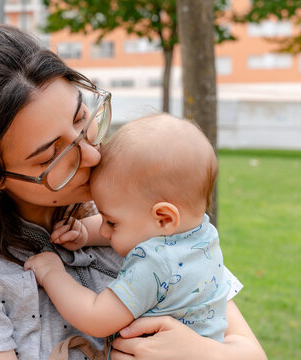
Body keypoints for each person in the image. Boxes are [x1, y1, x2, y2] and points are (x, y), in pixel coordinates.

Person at [0, 22, 267, 360]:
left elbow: (251, 352)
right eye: (51, 157)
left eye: (81, 117)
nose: (91, 154)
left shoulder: (128, 217)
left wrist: (201, 354)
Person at [25, 114, 229, 358]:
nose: (103, 230)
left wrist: (52, 274)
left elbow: (96, 318)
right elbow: (139, 226)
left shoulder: (154, 262)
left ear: (164, 218)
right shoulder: (201, 234)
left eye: (111, 222)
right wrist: (84, 233)